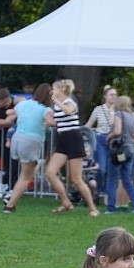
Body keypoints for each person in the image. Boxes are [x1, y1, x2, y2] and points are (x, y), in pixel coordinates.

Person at [44, 79, 98, 216]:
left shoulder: (70, 102)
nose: (52, 91)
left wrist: (56, 101)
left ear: (62, 89)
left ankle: (92, 208)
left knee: (76, 179)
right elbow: (59, 121)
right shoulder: (57, 105)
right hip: (63, 139)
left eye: (54, 89)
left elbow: (69, 111)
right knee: (50, 172)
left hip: (73, 139)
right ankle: (65, 201)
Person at [3, 84, 53, 213]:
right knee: (27, 176)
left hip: (17, 138)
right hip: (31, 140)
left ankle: (12, 195)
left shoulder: (24, 104)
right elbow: (51, 121)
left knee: (26, 173)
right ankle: (10, 204)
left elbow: (10, 112)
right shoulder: (46, 109)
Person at [105, 96, 134, 214]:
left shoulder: (119, 114)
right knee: (127, 180)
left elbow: (117, 131)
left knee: (112, 179)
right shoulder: (133, 116)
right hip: (129, 151)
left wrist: (109, 136)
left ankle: (111, 208)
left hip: (118, 151)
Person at [86, 86, 118, 200]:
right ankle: (98, 191)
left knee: (112, 169)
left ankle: (106, 193)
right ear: (105, 96)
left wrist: (112, 112)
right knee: (101, 169)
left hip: (114, 141)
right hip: (101, 139)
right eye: (111, 94)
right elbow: (89, 124)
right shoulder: (98, 109)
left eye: (115, 95)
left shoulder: (118, 110)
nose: (114, 97)